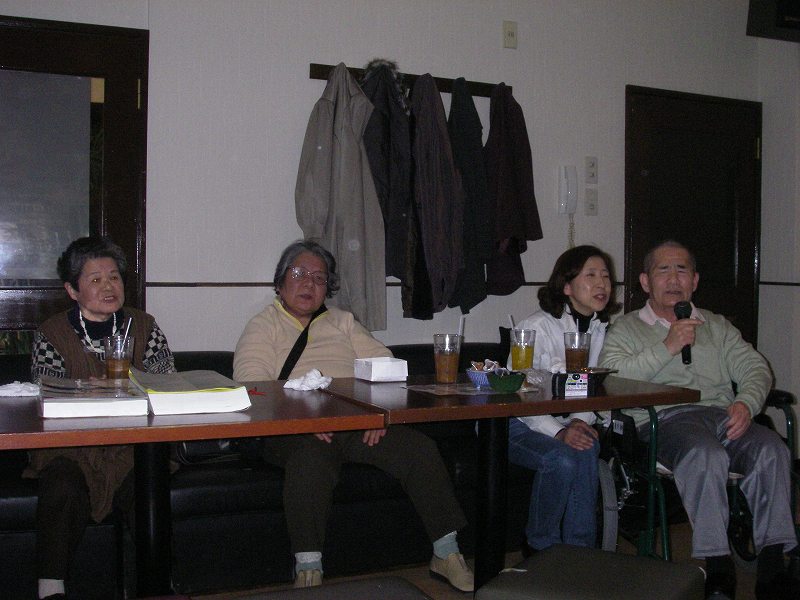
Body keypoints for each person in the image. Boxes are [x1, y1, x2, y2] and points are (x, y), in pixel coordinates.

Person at [233, 240, 473, 592]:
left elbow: (384, 365)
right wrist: (305, 420)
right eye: (299, 273)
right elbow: (253, 387)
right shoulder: (262, 325)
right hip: (294, 430)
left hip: (355, 422)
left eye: (319, 277)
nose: (310, 283)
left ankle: (446, 552)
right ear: (280, 282)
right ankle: (308, 569)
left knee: (419, 449)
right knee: (310, 459)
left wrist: (375, 414)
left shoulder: (342, 321)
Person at [599, 240, 799, 600]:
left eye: (682, 270)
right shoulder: (626, 328)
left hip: (722, 416)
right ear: (645, 282)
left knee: (772, 449)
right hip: (663, 420)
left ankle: (772, 563)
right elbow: (612, 378)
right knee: (705, 454)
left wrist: (746, 403)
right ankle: (717, 563)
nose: (674, 278)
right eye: (663, 270)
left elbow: (755, 368)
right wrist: (668, 346)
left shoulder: (716, 325)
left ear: (694, 281)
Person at [27, 236, 175, 600]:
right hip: (71, 447)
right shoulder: (52, 333)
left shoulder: (144, 325)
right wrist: (88, 390)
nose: (109, 286)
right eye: (95, 279)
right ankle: (50, 588)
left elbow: (169, 383)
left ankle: (159, 587)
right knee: (62, 485)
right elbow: (47, 394)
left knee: (147, 486)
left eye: (114, 277)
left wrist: (129, 385)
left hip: (132, 446)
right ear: (72, 290)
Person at [509, 245, 620, 553]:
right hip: (517, 421)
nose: (601, 284)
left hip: (566, 418)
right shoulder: (536, 327)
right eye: (591, 275)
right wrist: (559, 431)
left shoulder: (601, 329)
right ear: (567, 286)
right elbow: (520, 393)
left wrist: (577, 422)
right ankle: (539, 546)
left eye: (606, 276)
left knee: (586, 446)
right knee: (561, 457)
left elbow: (592, 387)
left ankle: (579, 552)